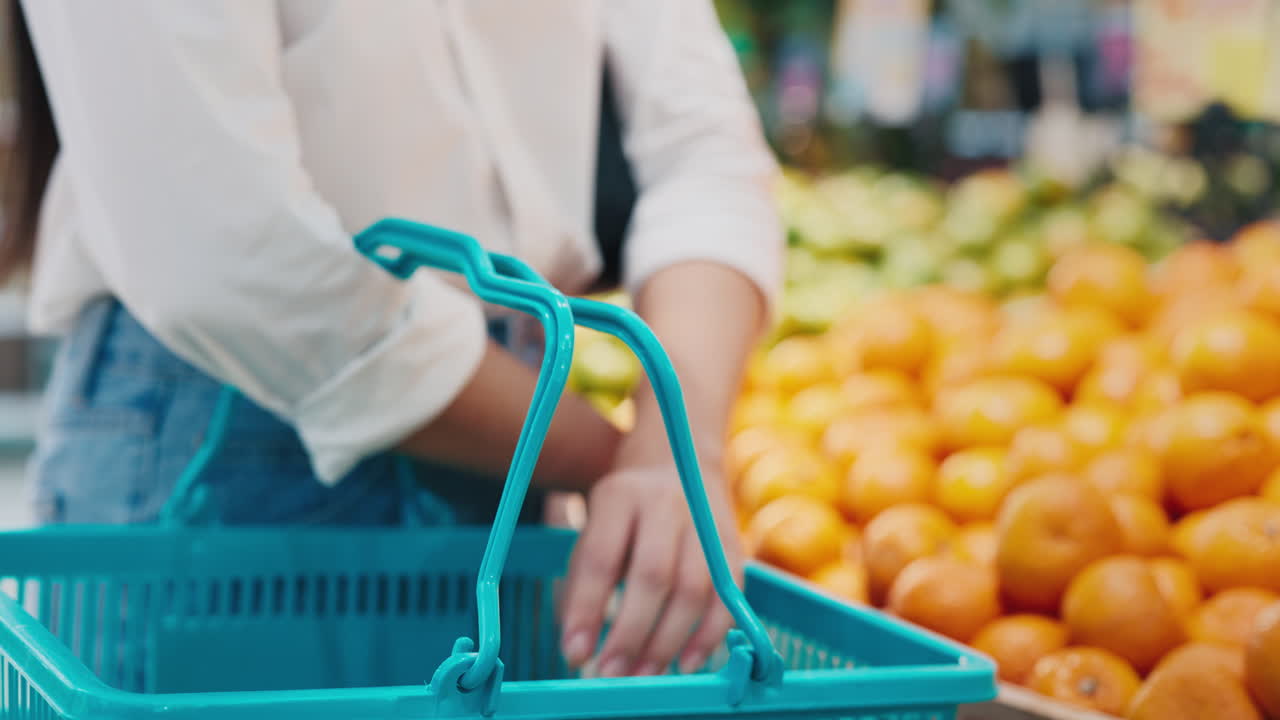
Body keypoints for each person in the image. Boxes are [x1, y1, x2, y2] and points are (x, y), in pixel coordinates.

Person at [3, 1, 783, 680]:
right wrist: (638, 462)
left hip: (512, 433)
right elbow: (223, 249)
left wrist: (675, 455)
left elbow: (703, 148)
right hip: (225, 402)